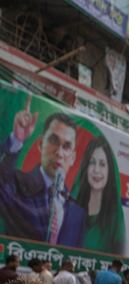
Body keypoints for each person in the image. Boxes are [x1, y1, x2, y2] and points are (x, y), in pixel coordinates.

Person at [0, 102, 85, 246]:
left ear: (72, 157)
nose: (59, 152)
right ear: (40, 144)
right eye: (53, 140)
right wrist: (17, 139)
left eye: (66, 146)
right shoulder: (18, 183)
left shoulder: (77, 212)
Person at [72, 136, 125, 254]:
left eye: (102, 164)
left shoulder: (114, 216)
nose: (96, 170)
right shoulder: (73, 209)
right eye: (92, 163)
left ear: (109, 170)